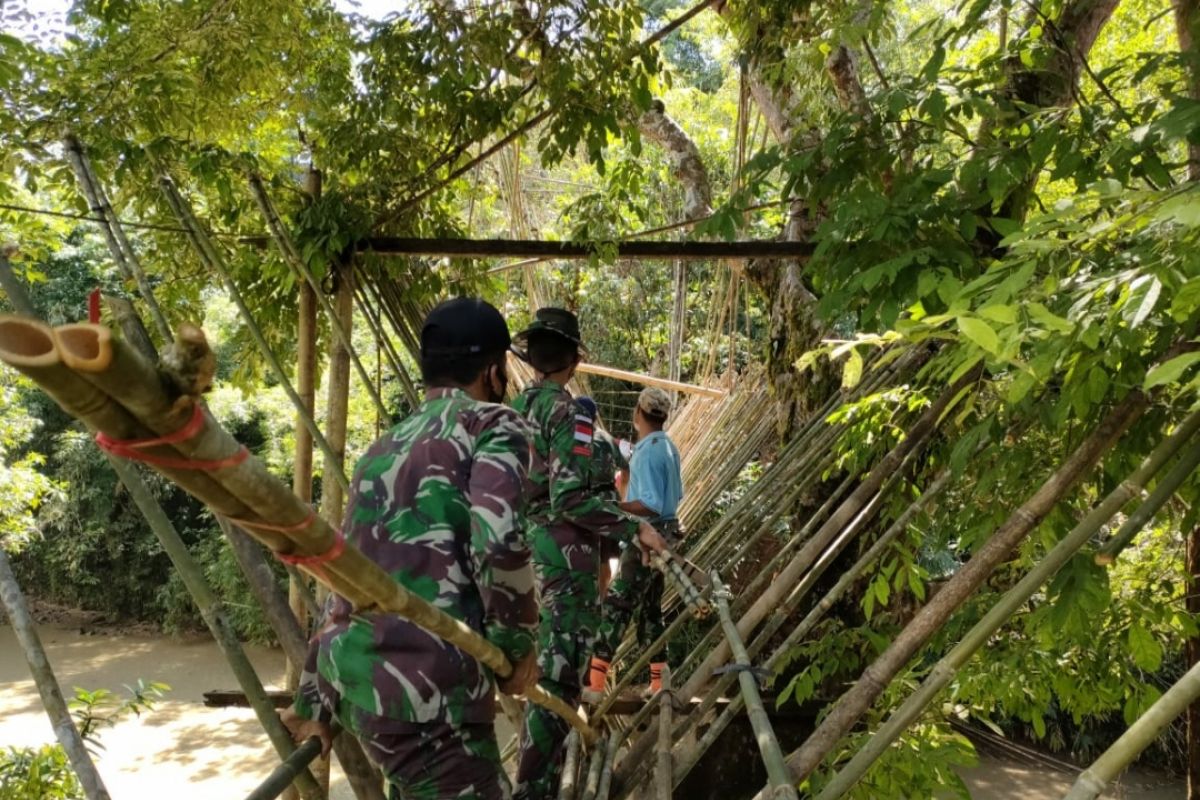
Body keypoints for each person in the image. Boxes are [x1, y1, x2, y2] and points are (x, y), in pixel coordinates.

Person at [281, 297, 540, 800]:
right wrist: (516, 649)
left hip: (361, 686)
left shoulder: (381, 449)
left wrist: (314, 698)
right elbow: (501, 539)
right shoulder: (491, 426)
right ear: (493, 372)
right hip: (430, 695)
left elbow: (346, 578)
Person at [509, 308, 667, 800]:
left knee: (542, 667)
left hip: (523, 548)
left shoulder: (517, 408)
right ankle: (533, 789)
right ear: (573, 360)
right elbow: (571, 498)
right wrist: (632, 527)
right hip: (563, 555)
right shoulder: (568, 414)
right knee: (560, 677)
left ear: (533, 358)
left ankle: (540, 778)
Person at [585, 386, 684, 700]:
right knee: (650, 609)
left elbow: (651, 504)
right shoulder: (668, 447)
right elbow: (674, 496)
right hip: (668, 531)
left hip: (648, 534)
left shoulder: (646, 451)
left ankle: (595, 684)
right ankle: (659, 682)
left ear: (638, 413)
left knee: (617, 603)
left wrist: (617, 508)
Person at [574, 396, 630, 597]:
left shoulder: (570, 439)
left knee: (583, 558)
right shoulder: (605, 439)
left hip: (581, 504)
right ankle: (602, 599)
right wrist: (621, 500)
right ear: (595, 417)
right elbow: (625, 470)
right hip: (607, 503)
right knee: (605, 559)